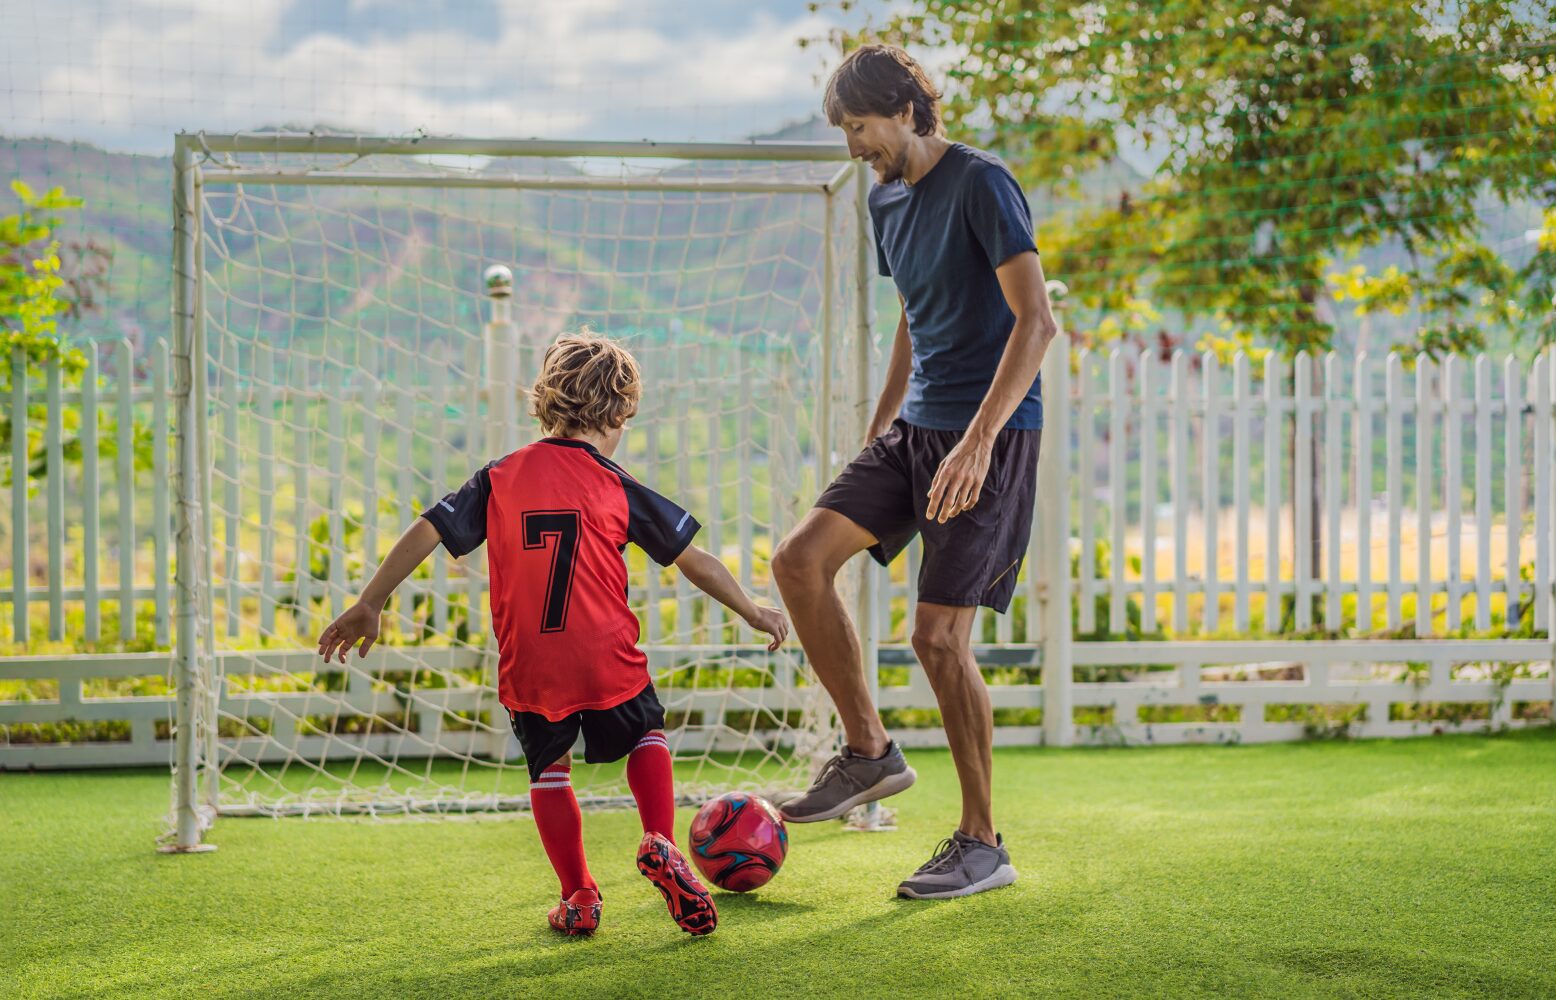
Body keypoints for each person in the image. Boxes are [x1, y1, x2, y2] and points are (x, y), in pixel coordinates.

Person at [318, 333, 788, 937]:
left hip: (531, 662)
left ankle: (580, 895)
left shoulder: (499, 476)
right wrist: (751, 608)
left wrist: (369, 602)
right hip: (605, 651)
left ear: (545, 403)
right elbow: (692, 560)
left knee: (550, 770)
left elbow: (428, 528)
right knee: (647, 733)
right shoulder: (615, 483)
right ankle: (660, 842)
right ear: (618, 414)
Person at [771, 43, 1058, 900]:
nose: (854, 147)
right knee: (798, 562)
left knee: (937, 638)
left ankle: (982, 842)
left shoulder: (982, 184)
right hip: (915, 431)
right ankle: (869, 752)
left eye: (860, 127)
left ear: (904, 107)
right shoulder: (884, 199)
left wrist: (975, 441)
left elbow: (1035, 323)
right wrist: (882, 421)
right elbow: (911, 314)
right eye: (847, 133)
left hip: (991, 438)